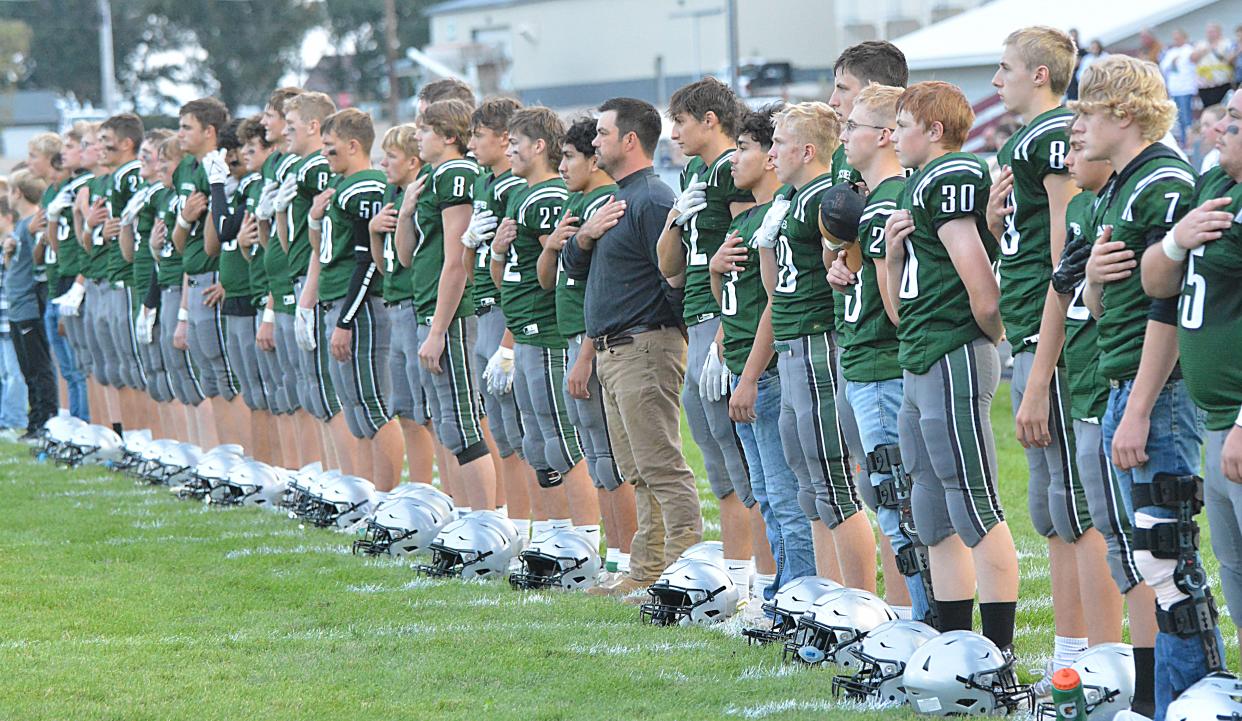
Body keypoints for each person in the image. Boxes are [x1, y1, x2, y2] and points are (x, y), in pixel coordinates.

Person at [1075, 54, 1223, 717]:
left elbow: (1168, 308)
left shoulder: (1163, 181)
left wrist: (1137, 408)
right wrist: (1096, 281)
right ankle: (1170, 701)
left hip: (1154, 390)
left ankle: (1192, 700)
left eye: (1088, 111)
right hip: (1124, 381)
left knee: (1168, 560)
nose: (1077, 125)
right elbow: (1108, 309)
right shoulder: (1120, 184)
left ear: (1123, 113)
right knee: (1145, 557)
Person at [989, 26, 1120, 688]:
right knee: (1054, 509)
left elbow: (1065, 263)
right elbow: (1027, 247)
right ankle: (1071, 653)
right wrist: (995, 219)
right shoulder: (1026, 142)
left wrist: (1041, 366)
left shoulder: (1051, 137)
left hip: (1058, 343)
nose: (994, 81)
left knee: (1079, 506)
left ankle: (1098, 659)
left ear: (1039, 75)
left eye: (1005, 68)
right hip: (1031, 335)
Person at [884, 81, 1019, 650]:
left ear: (934, 131)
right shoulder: (918, 185)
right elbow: (897, 313)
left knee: (973, 499)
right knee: (931, 509)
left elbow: (984, 293)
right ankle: (955, 646)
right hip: (920, 353)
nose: (893, 136)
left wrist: (985, 335)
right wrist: (890, 259)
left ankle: (999, 652)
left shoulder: (951, 175)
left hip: (952, 353)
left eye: (902, 125)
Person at [562, 97, 701, 597]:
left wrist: (674, 339)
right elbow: (575, 271)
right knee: (638, 471)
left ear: (629, 140)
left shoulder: (653, 198)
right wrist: (584, 238)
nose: (593, 141)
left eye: (600, 133)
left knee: (660, 465)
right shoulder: (613, 198)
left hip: (645, 346)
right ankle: (646, 571)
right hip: (613, 352)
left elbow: (673, 278)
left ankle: (686, 573)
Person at [1139, 83, 1242, 699]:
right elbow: (1159, 279)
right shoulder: (1214, 188)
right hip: (1214, 414)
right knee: (1233, 568)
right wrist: (1177, 240)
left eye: (1235, 118)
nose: (1219, 126)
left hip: (1236, 415)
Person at [826, 82, 934, 624]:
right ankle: (921, 616)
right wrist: (844, 269)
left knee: (898, 499)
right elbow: (866, 275)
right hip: (866, 356)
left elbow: (899, 299)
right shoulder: (874, 200)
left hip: (882, 363)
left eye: (852, 127)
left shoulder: (890, 199)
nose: (843, 134)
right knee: (888, 494)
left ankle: (926, 621)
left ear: (885, 135)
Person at [656, 77, 759, 600]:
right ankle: (741, 574)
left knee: (742, 459)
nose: (674, 133)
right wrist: (676, 218)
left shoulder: (732, 170)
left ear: (710, 120)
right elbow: (669, 268)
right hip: (694, 311)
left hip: (721, 323)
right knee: (717, 455)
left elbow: (746, 255)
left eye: (681, 121)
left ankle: (757, 581)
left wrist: (724, 334)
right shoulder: (698, 171)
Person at [766, 101, 877, 590]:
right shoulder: (794, 199)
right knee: (809, 484)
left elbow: (848, 262)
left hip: (817, 341)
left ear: (807, 150)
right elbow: (775, 291)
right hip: (791, 342)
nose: (771, 154)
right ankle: (826, 600)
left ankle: (857, 603)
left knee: (832, 481)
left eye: (778, 144)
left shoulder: (823, 199)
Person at [708, 103, 810, 601]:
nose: (734, 159)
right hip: (742, 367)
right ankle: (783, 590)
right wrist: (712, 268)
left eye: (744, 148)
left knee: (786, 496)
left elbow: (776, 301)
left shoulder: (780, 215)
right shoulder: (746, 221)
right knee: (767, 495)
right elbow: (733, 302)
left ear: (772, 157)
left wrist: (749, 375)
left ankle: (798, 594)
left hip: (765, 372)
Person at [490, 106, 600, 542]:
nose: (509, 150)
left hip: (549, 331)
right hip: (527, 330)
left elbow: (553, 276)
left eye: (515, 142)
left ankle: (585, 538)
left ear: (539, 146)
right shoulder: (520, 193)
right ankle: (556, 533)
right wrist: (497, 252)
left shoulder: (548, 195)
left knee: (563, 442)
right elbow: (514, 278)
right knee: (537, 443)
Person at [539, 115, 637, 579]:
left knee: (612, 456)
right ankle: (615, 553)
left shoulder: (605, 202)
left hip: (593, 340)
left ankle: (629, 555)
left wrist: (585, 354)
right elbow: (548, 280)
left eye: (569, 156)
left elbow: (605, 289)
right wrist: (553, 246)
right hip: (578, 337)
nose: (560, 166)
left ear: (595, 159)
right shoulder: (577, 202)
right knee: (598, 454)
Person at [397, 98, 496, 512]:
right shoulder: (431, 177)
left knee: (462, 423)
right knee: (447, 424)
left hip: (450, 315)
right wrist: (405, 212)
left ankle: (484, 520)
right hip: (426, 306)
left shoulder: (456, 172)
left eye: (424, 130)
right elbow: (405, 257)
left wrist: (439, 329)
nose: (417, 136)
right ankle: (464, 514)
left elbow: (456, 260)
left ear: (448, 136)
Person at [309, 108, 404, 491]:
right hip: (341, 302)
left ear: (353, 145)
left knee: (374, 405)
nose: (325, 157)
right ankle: (363, 492)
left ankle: (384, 496)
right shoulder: (342, 187)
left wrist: (346, 320)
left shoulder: (365, 186)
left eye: (331, 150)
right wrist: (315, 219)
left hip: (361, 307)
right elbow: (328, 251)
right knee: (355, 408)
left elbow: (368, 262)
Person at [460, 98, 535, 537]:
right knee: (503, 434)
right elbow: (479, 276)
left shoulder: (514, 188)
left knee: (529, 435)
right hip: (486, 308)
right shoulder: (488, 185)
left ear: (506, 138)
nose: (471, 144)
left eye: (478, 135)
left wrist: (509, 341)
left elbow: (523, 279)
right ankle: (514, 522)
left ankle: (542, 526)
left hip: (512, 319)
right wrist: (472, 246)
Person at [368, 123, 436, 484]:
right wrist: (373, 232)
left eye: (390, 156)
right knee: (406, 409)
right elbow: (384, 266)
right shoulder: (390, 194)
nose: (382, 163)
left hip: (416, 303)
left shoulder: (424, 192)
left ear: (413, 161)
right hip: (394, 301)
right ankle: (421, 489)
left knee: (428, 411)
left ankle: (446, 495)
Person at [27, 131, 88, 422]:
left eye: (33, 156)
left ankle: (83, 425)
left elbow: (79, 245)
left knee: (78, 367)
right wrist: (35, 231)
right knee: (65, 367)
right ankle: (73, 424)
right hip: (55, 281)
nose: (29, 163)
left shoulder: (78, 186)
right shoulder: (52, 193)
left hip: (72, 279)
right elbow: (44, 250)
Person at [5, 169, 56, 440]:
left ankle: (44, 420)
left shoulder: (31, 223)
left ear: (18, 193)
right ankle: (34, 421)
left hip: (28, 306)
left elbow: (36, 263)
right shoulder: (21, 226)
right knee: (27, 370)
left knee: (38, 368)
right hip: (17, 307)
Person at [0, 197, 28, 437]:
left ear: (8, 217)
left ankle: (14, 419)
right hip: (3, 321)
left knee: (14, 373)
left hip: (10, 318)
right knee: (4, 374)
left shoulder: (14, 242)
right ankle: (6, 418)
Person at [1160, 30, 1199, 146]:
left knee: (1187, 117)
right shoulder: (1171, 52)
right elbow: (1163, 66)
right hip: (1175, 89)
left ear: (1184, 37)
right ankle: (1183, 140)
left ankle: (1190, 141)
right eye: (1174, 38)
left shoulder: (1189, 50)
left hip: (1186, 88)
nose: (1175, 40)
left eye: (1178, 38)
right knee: (1179, 118)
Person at [1192, 22, 1234, 108]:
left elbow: (1231, 59)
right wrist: (1203, 51)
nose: (1210, 34)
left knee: (1223, 107)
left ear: (1219, 32)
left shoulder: (1226, 43)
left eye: (1213, 31)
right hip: (1205, 84)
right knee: (1208, 108)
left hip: (1222, 82)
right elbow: (1192, 58)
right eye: (1208, 32)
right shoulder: (1201, 44)